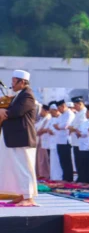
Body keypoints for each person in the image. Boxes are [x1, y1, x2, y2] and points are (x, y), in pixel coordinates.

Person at [0, 70, 38, 206]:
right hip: (16, 138)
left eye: (14, 81)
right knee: (16, 168)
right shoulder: (19, 95)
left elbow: (17, 112)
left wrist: (4, 112)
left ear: (22, 82)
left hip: (22, 138)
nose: (12, 83)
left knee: (24, 168)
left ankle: (28, 198)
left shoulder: (27, 95)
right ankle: (22, 195)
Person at [54, 100, 75, 182]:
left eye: (59, 108)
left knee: (67, 161)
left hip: (66, 140)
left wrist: (58, 126)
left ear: (63, 106)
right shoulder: (61, 115)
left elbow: (66, 125)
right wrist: (58, 126)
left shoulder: (69, 114)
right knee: (62, 161)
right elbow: (55, 124)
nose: (58, 110)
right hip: (59, 140)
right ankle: (64, 177)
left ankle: (68, 178)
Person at [68, 96, 87, 182]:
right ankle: (80, 178)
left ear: (80, 104)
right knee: (77, 161)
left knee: (82, 162)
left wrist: (73, 128)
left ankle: (83, 179)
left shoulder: (84, 113)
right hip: (75, 141)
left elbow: (78, 127)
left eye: (75, 105)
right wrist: (72, 128)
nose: (74, 107)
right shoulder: (78, 113)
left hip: (81, 142)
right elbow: (70, 126)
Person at [76, 105, 89, 183]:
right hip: (82, 146)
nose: (86, 114)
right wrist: (78, 133)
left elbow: (86, 133)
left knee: (88, 165)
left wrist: (80, 133)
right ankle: (82, 179)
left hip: (88, 146)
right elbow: (79, 131)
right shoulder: (84, 122)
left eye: (88, 112)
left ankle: (87, 180)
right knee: (82, 164)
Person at [46, 103, 63, 181]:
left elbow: (60, 129)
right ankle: (53, 176)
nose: (51, 113)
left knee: (58, 161)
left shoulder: (60, 118)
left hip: (58, 142)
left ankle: (58, 177)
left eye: (53, 111)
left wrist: (52, 131)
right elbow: (48, 128)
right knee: (52, 161)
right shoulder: (51, 119)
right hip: (51, 143)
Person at [35, 104, 51, 179]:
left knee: (43, 159)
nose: (40, 112)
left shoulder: (48, 118)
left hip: (44, 141)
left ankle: (44, 174)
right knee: (39, 159)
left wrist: (38, 131)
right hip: (39, 140)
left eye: (42, 110)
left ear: (46, 111)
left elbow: (42, 130)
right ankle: (39, 173)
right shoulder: (42, 119)